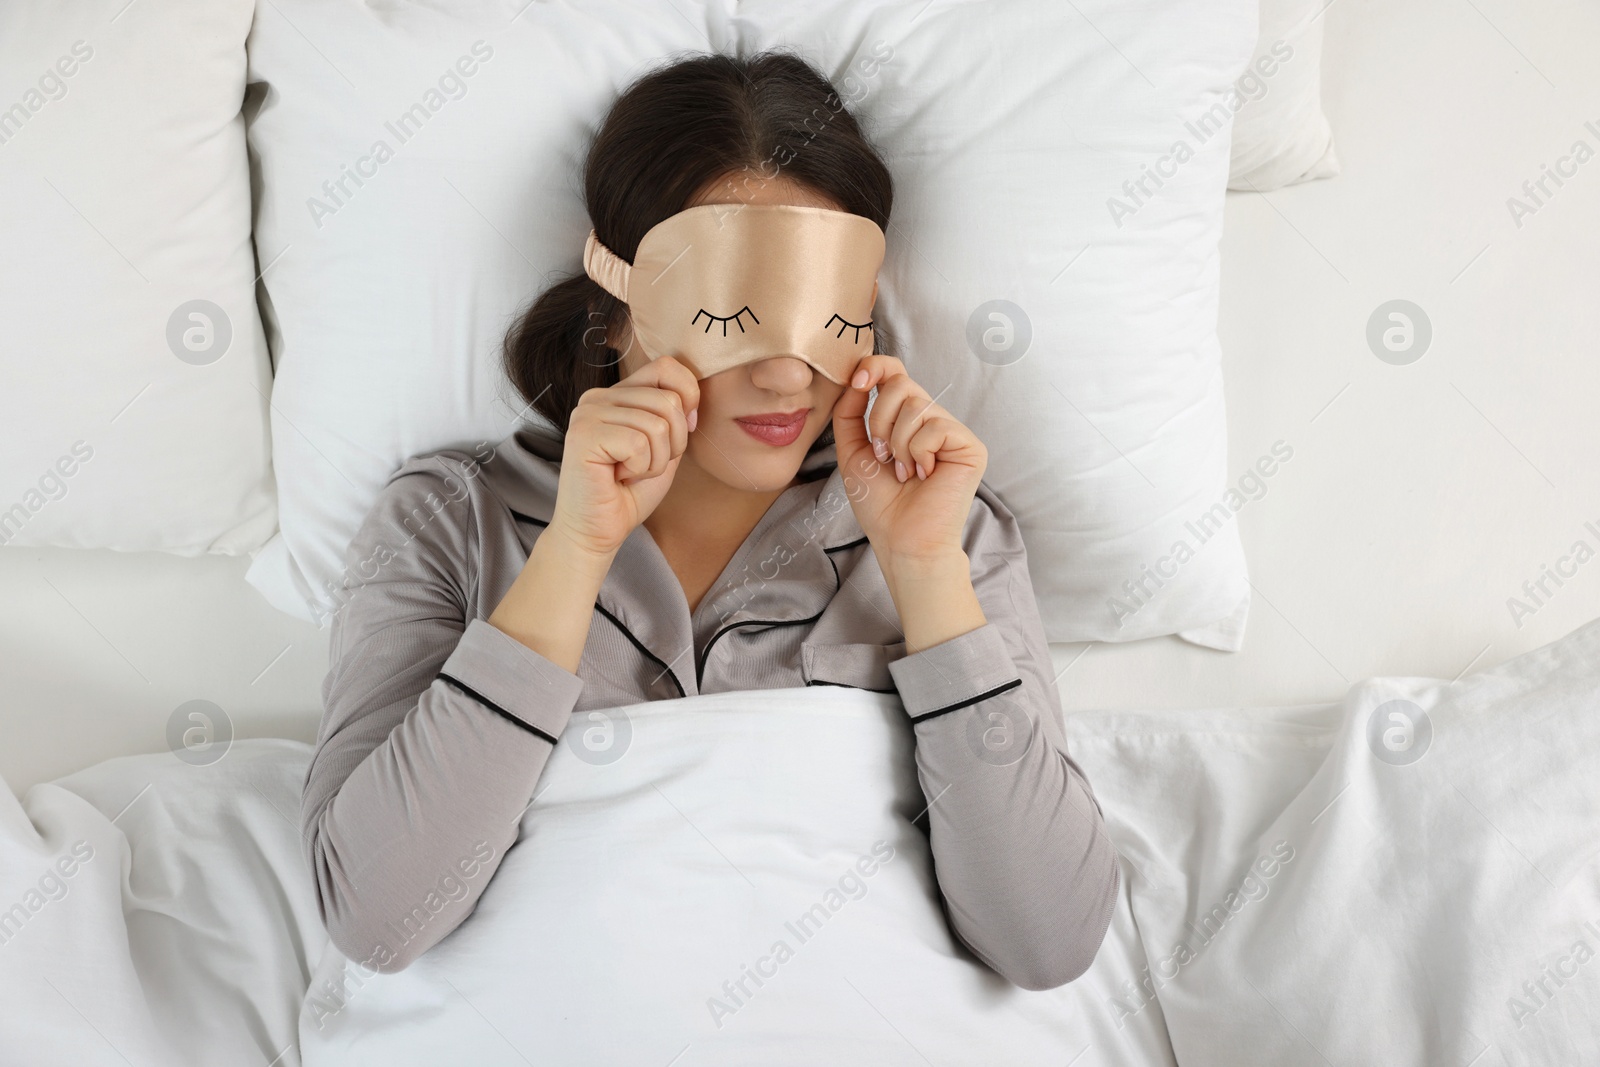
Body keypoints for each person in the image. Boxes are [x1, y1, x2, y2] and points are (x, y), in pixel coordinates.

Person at [301, 49, 1120, 991]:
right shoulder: (445, 522)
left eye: (823, 318)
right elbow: (373, 915)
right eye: (732, 313)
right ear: (617, 308)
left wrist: (925, 570)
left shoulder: (951, 533)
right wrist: (573, 554)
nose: (784, 374)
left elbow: (1049, 941)